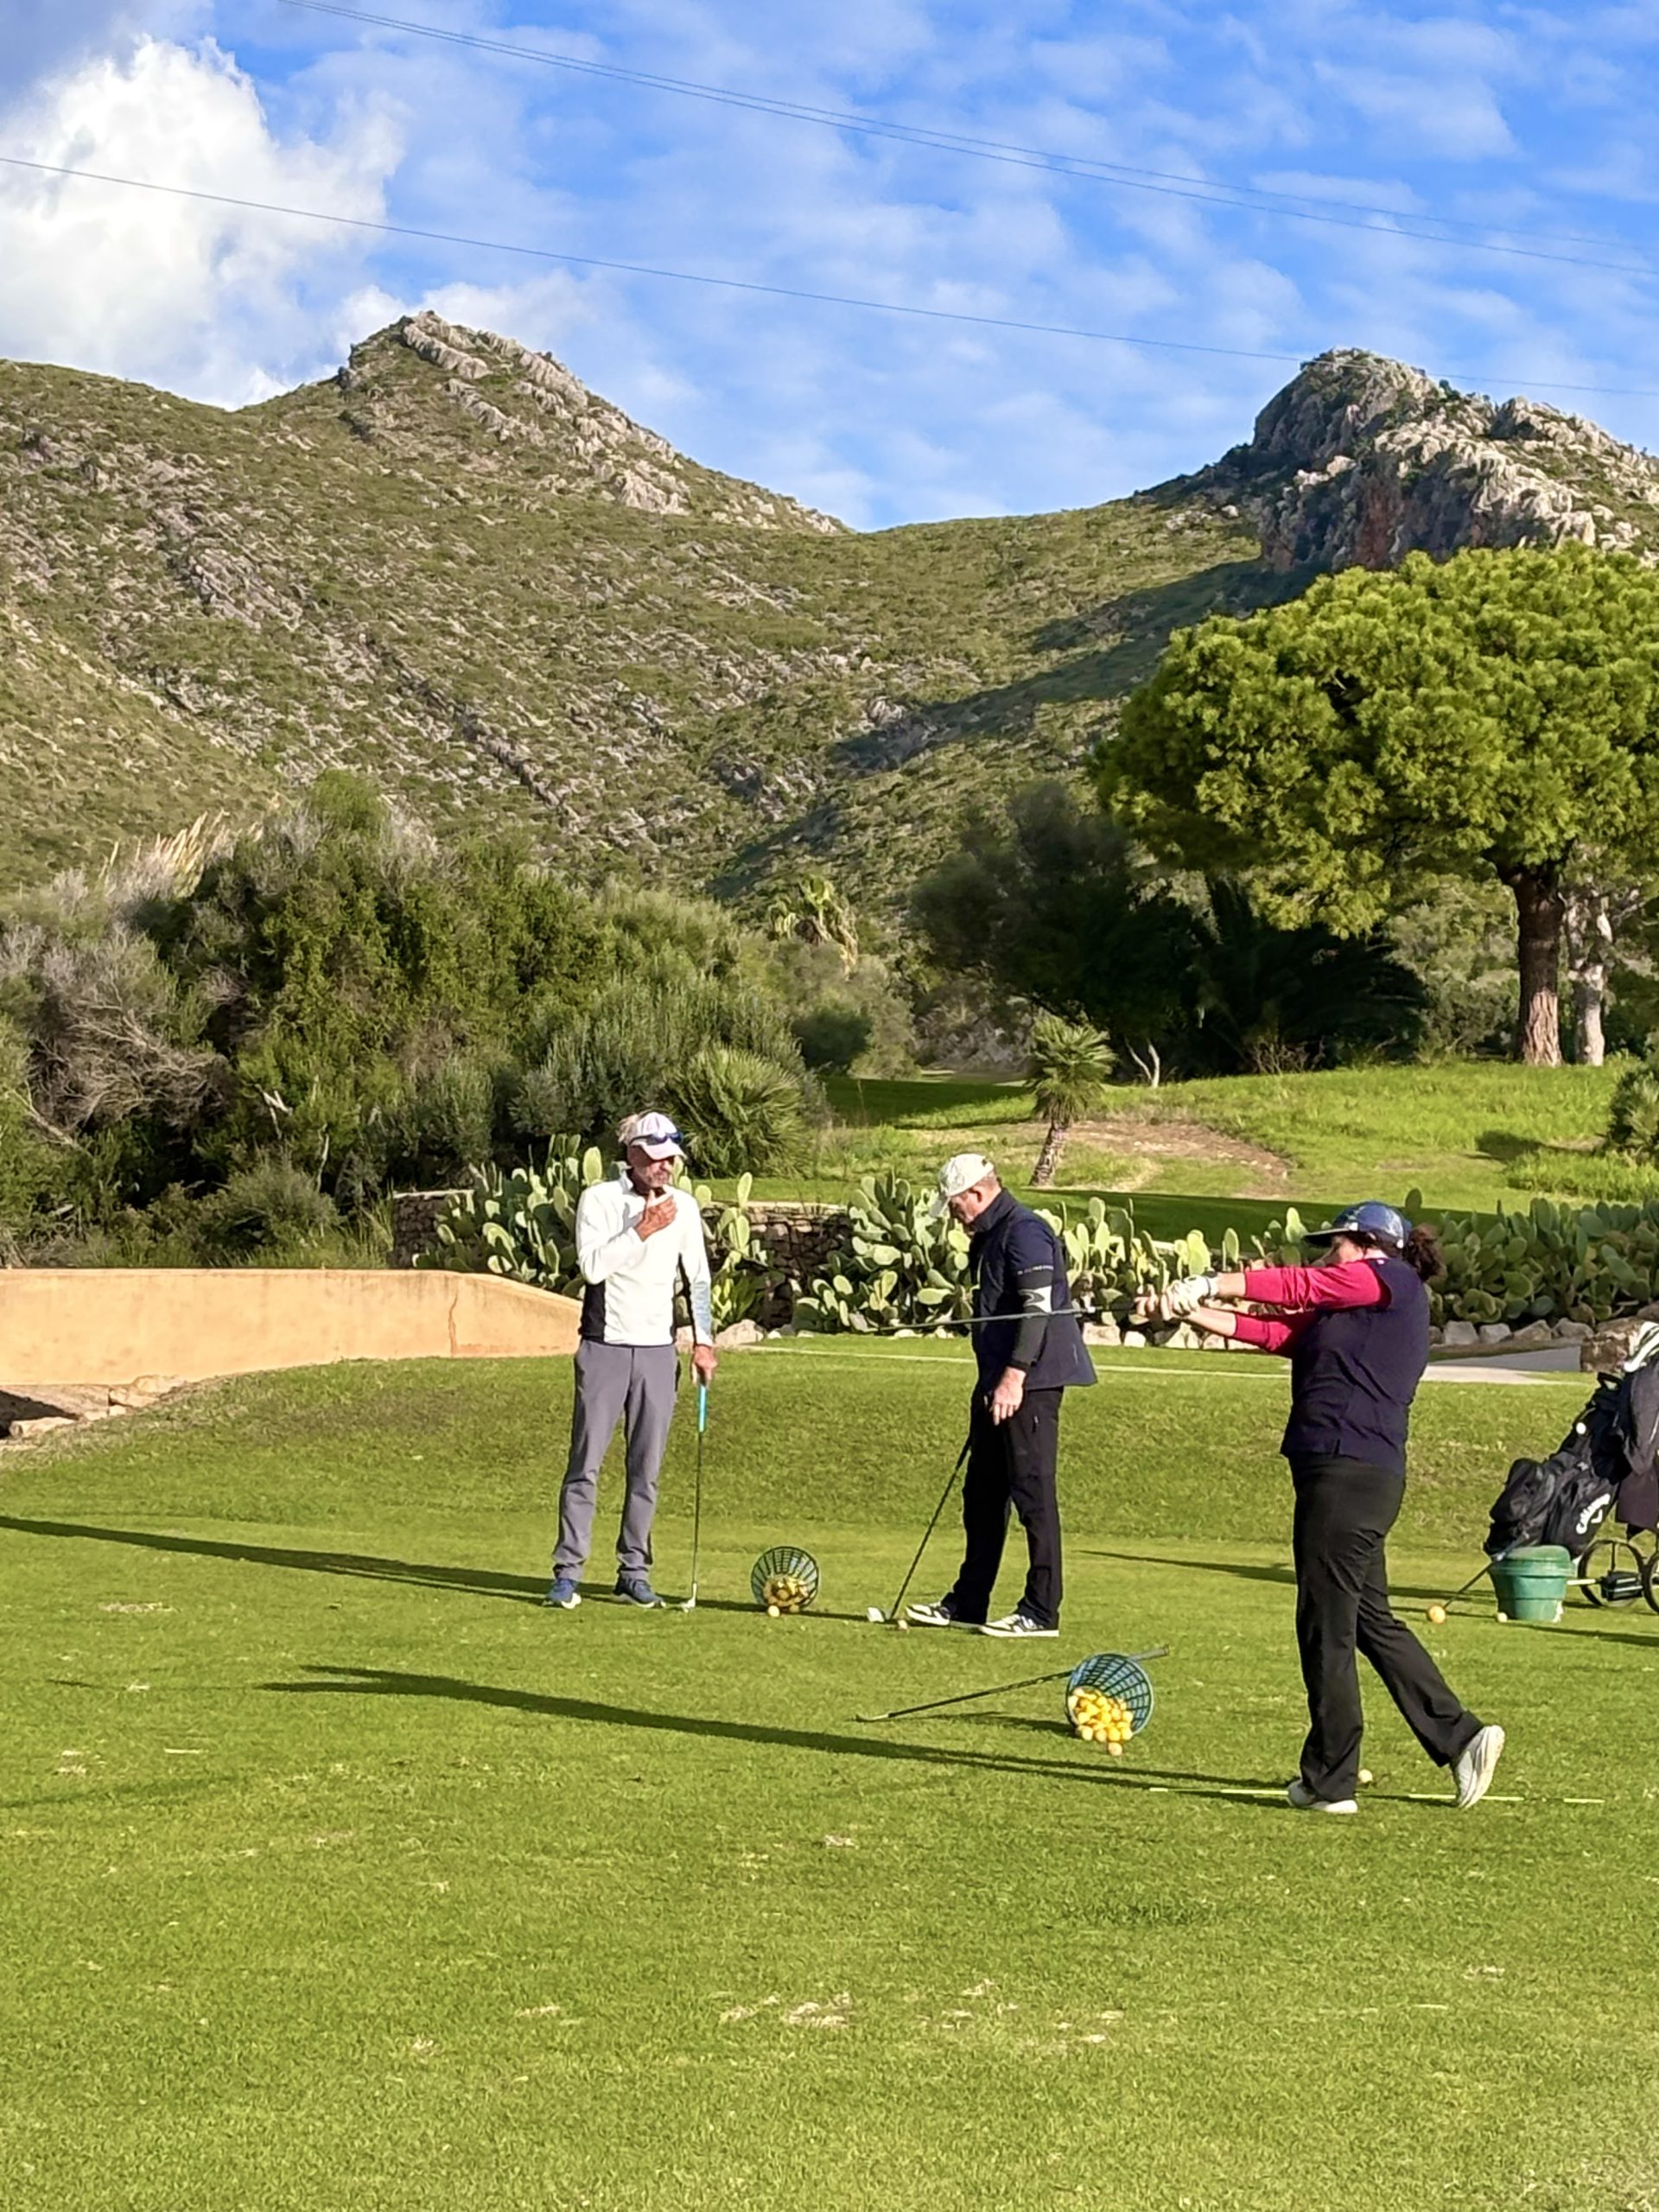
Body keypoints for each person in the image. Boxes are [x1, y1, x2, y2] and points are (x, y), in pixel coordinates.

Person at [1160, 1202, 1504, 1814]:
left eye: (1335, 1245)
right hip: (1351, 1473)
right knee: (1369, 1620)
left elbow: (1302, 1284)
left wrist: (1214, 1280)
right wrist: (1194, 1309)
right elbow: (1278, 1333)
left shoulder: (1390, 1280)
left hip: (1347, 1473)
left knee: (1325, 1625)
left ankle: (1330, 1780)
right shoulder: (1349, 1310)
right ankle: (1462, 1736)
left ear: (1369, 1244)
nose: (1326, 1255)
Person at [906, 1153, 1096, 1638]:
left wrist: (1014, 1376)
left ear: (977, 1193)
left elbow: (1038, 1309)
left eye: (955, 1205)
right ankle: (970, 1601)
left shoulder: (1025, 1231)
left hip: (1029, 1384)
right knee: (982, 1495)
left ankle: (1041, 1610)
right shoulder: (990, 1236)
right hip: (997, 1380)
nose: (953, 1215)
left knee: (1033, 1493)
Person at [545, 1111, 717, 1611]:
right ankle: (567, 1572)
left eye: (672, 1161)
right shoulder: (599, 1200)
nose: (666, 1169)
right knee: (585, 1466)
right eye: (659, 1160)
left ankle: (633, 1572)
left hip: (658, 1351)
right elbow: (593, 1266)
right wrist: (641, 1229)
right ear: (635, 1156)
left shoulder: (684, 1207)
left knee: (646, 1470)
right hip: (604, 1347)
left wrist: (703, 1342)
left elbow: (697, 1279)